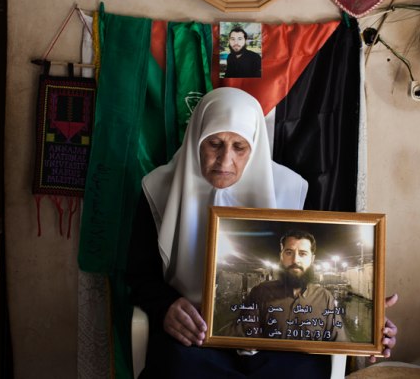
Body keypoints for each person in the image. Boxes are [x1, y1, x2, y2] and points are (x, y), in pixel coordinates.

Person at [126, 87, 397, 378]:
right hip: (195, 336)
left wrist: (371, 329)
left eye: (239, 147)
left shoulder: (294, 191)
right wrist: (166, 306)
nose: (224, 160)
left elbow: (316, 285)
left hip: (279, 344)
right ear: (196, 139)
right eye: (214, 144)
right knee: (176, 368)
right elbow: (139, 275)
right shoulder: (157, 190)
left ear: (255, 146)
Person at [224, 229, 348, 342]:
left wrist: (364, 352)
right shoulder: (260, 293)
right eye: (289, 252)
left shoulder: (325, 299)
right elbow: (241, 335)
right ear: (281, 256)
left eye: (303, 254)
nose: (295, 260)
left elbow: (339, 344)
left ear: (312, 259)